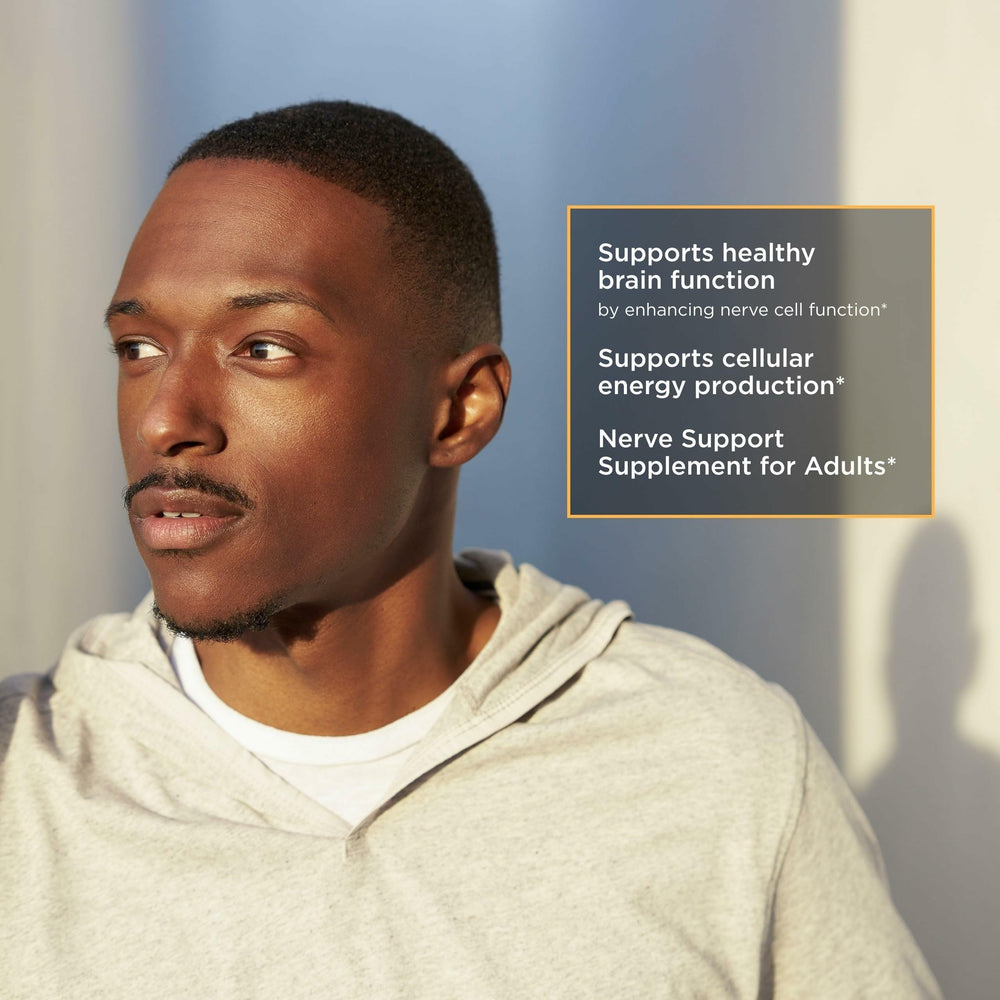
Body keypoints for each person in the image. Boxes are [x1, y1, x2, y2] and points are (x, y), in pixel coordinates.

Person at [0, 101, 939, 999]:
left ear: (460, 410)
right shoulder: (26, 780)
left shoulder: (724, 766)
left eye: (266, 348)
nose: (167, 419)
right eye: (138, 349)